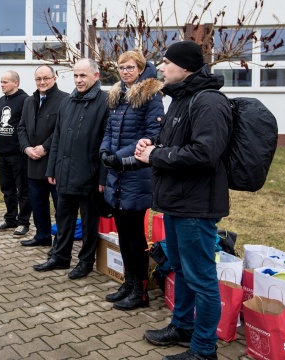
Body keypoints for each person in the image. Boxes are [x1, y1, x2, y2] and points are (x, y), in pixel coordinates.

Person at [135, 41, 231, 360]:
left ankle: (204, 350)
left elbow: (205, 153)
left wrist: (157, 154)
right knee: (180, 268)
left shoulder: (209, 102)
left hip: (196, 206)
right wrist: (153, 145)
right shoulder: (180, 99)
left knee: (201, 277)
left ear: (185, 67)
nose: (160, 68)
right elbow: (173, 143)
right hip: (176, 204)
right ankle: (182, 327)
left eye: (165, 62)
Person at [99, 50, 164, 310]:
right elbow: (108, 130)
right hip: (117, 173)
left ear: (140, 68)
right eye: (121, 67)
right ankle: (128, 282)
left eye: (130, 67)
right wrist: (104, 151)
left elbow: (152, 134)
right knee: (123, 233)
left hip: (136, 174)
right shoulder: (117, 95)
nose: (125, 71)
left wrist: (118, 156)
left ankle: (141, 291)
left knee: (135, 235)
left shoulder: (151, 95)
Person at [33, 59, 109, 279]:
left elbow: (107, 142)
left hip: (89, 175)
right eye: (75, 75)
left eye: (83, 75)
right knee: (64, 218)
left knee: (88, 223)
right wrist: (52, 169)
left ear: (96, 76)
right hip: (64, 172)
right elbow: (57, 138)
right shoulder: (67, 102)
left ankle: (86, 262)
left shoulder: (105, 102)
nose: (78, 80)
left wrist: (102, 177)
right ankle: (60, 256)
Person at [17, 65, 68, 247]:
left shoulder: (65, 100)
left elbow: (62, 130)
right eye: (38, 79)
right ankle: (42, 236)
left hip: (53, 163)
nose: (42, 82)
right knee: (38, 203)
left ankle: (61, 241)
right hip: (33, 161)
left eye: (46, 78)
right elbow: (21, 127)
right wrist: (26, 148)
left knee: (59, 205)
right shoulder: (29, 101)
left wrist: (45, 147)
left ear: (54, 78)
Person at [0, 71, 31, 236]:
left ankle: (23, 222)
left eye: (5, 82)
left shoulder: (25, 100)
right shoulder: (1, 100)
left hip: (18, 154)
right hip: (2, 153)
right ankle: (10, 218)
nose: (2, 85)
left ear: (16, 83)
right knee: (7, 189)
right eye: (1, 82)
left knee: (23, 190)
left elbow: (27, 126)